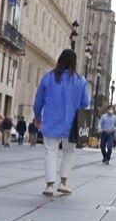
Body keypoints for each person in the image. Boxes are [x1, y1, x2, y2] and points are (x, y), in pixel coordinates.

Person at [33, 48, 91, 197]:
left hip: (51, 122)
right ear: (74, 63)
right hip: (71, 125)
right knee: (69, 152)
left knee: (50, 152)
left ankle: (50, 185)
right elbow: (86, 102)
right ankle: (63, 183)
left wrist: (37, 116)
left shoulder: (48, 78)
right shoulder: (81, 81)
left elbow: (38, 100)